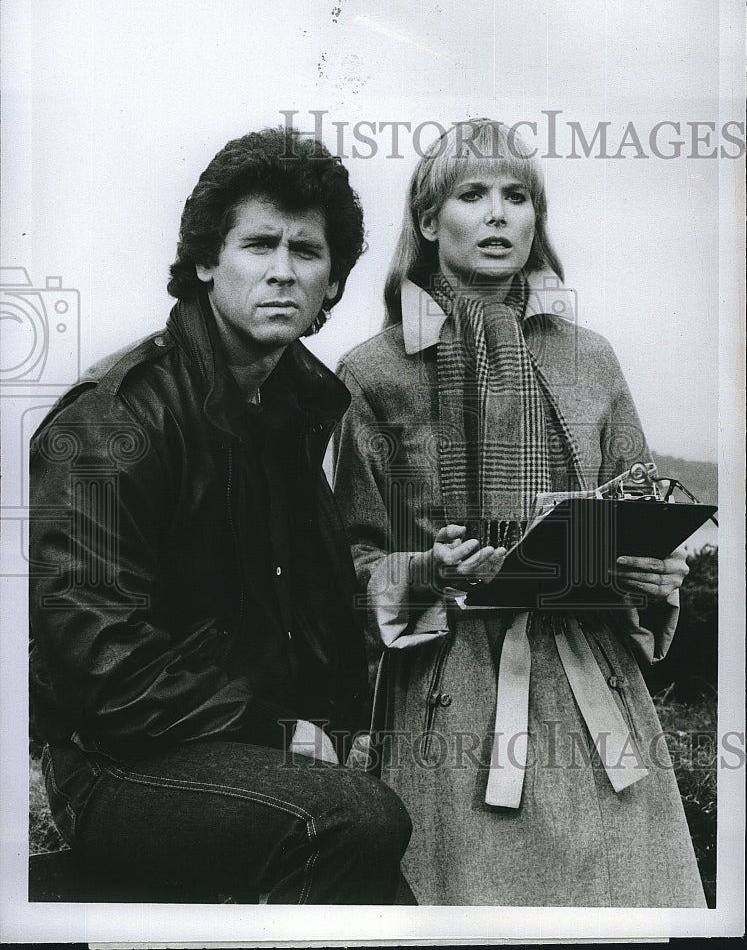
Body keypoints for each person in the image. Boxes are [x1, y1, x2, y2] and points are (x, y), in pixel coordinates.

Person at [29, 126, 411, 905]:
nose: (282, 271)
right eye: (257, 244)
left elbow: (314, 611)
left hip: (239, 751)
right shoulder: (114, 418)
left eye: (306, 252)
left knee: (389, 866)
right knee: (352, 820)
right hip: (115, 758)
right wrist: (280, 733)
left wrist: (342, 726)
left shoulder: (296, 410)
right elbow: (96, 656)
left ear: (331, 279)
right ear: (206, 261)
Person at [332, 118, 706, 906]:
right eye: (473, 194)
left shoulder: (590, 356)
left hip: (594, 690)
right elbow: (350, 566)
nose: (498, 213)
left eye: (516, 195)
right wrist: (427, 569)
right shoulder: (371, 372)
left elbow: (637, 503)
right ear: (430, 222)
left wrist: (654, 569)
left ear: (537, 220)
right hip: (452, 698)